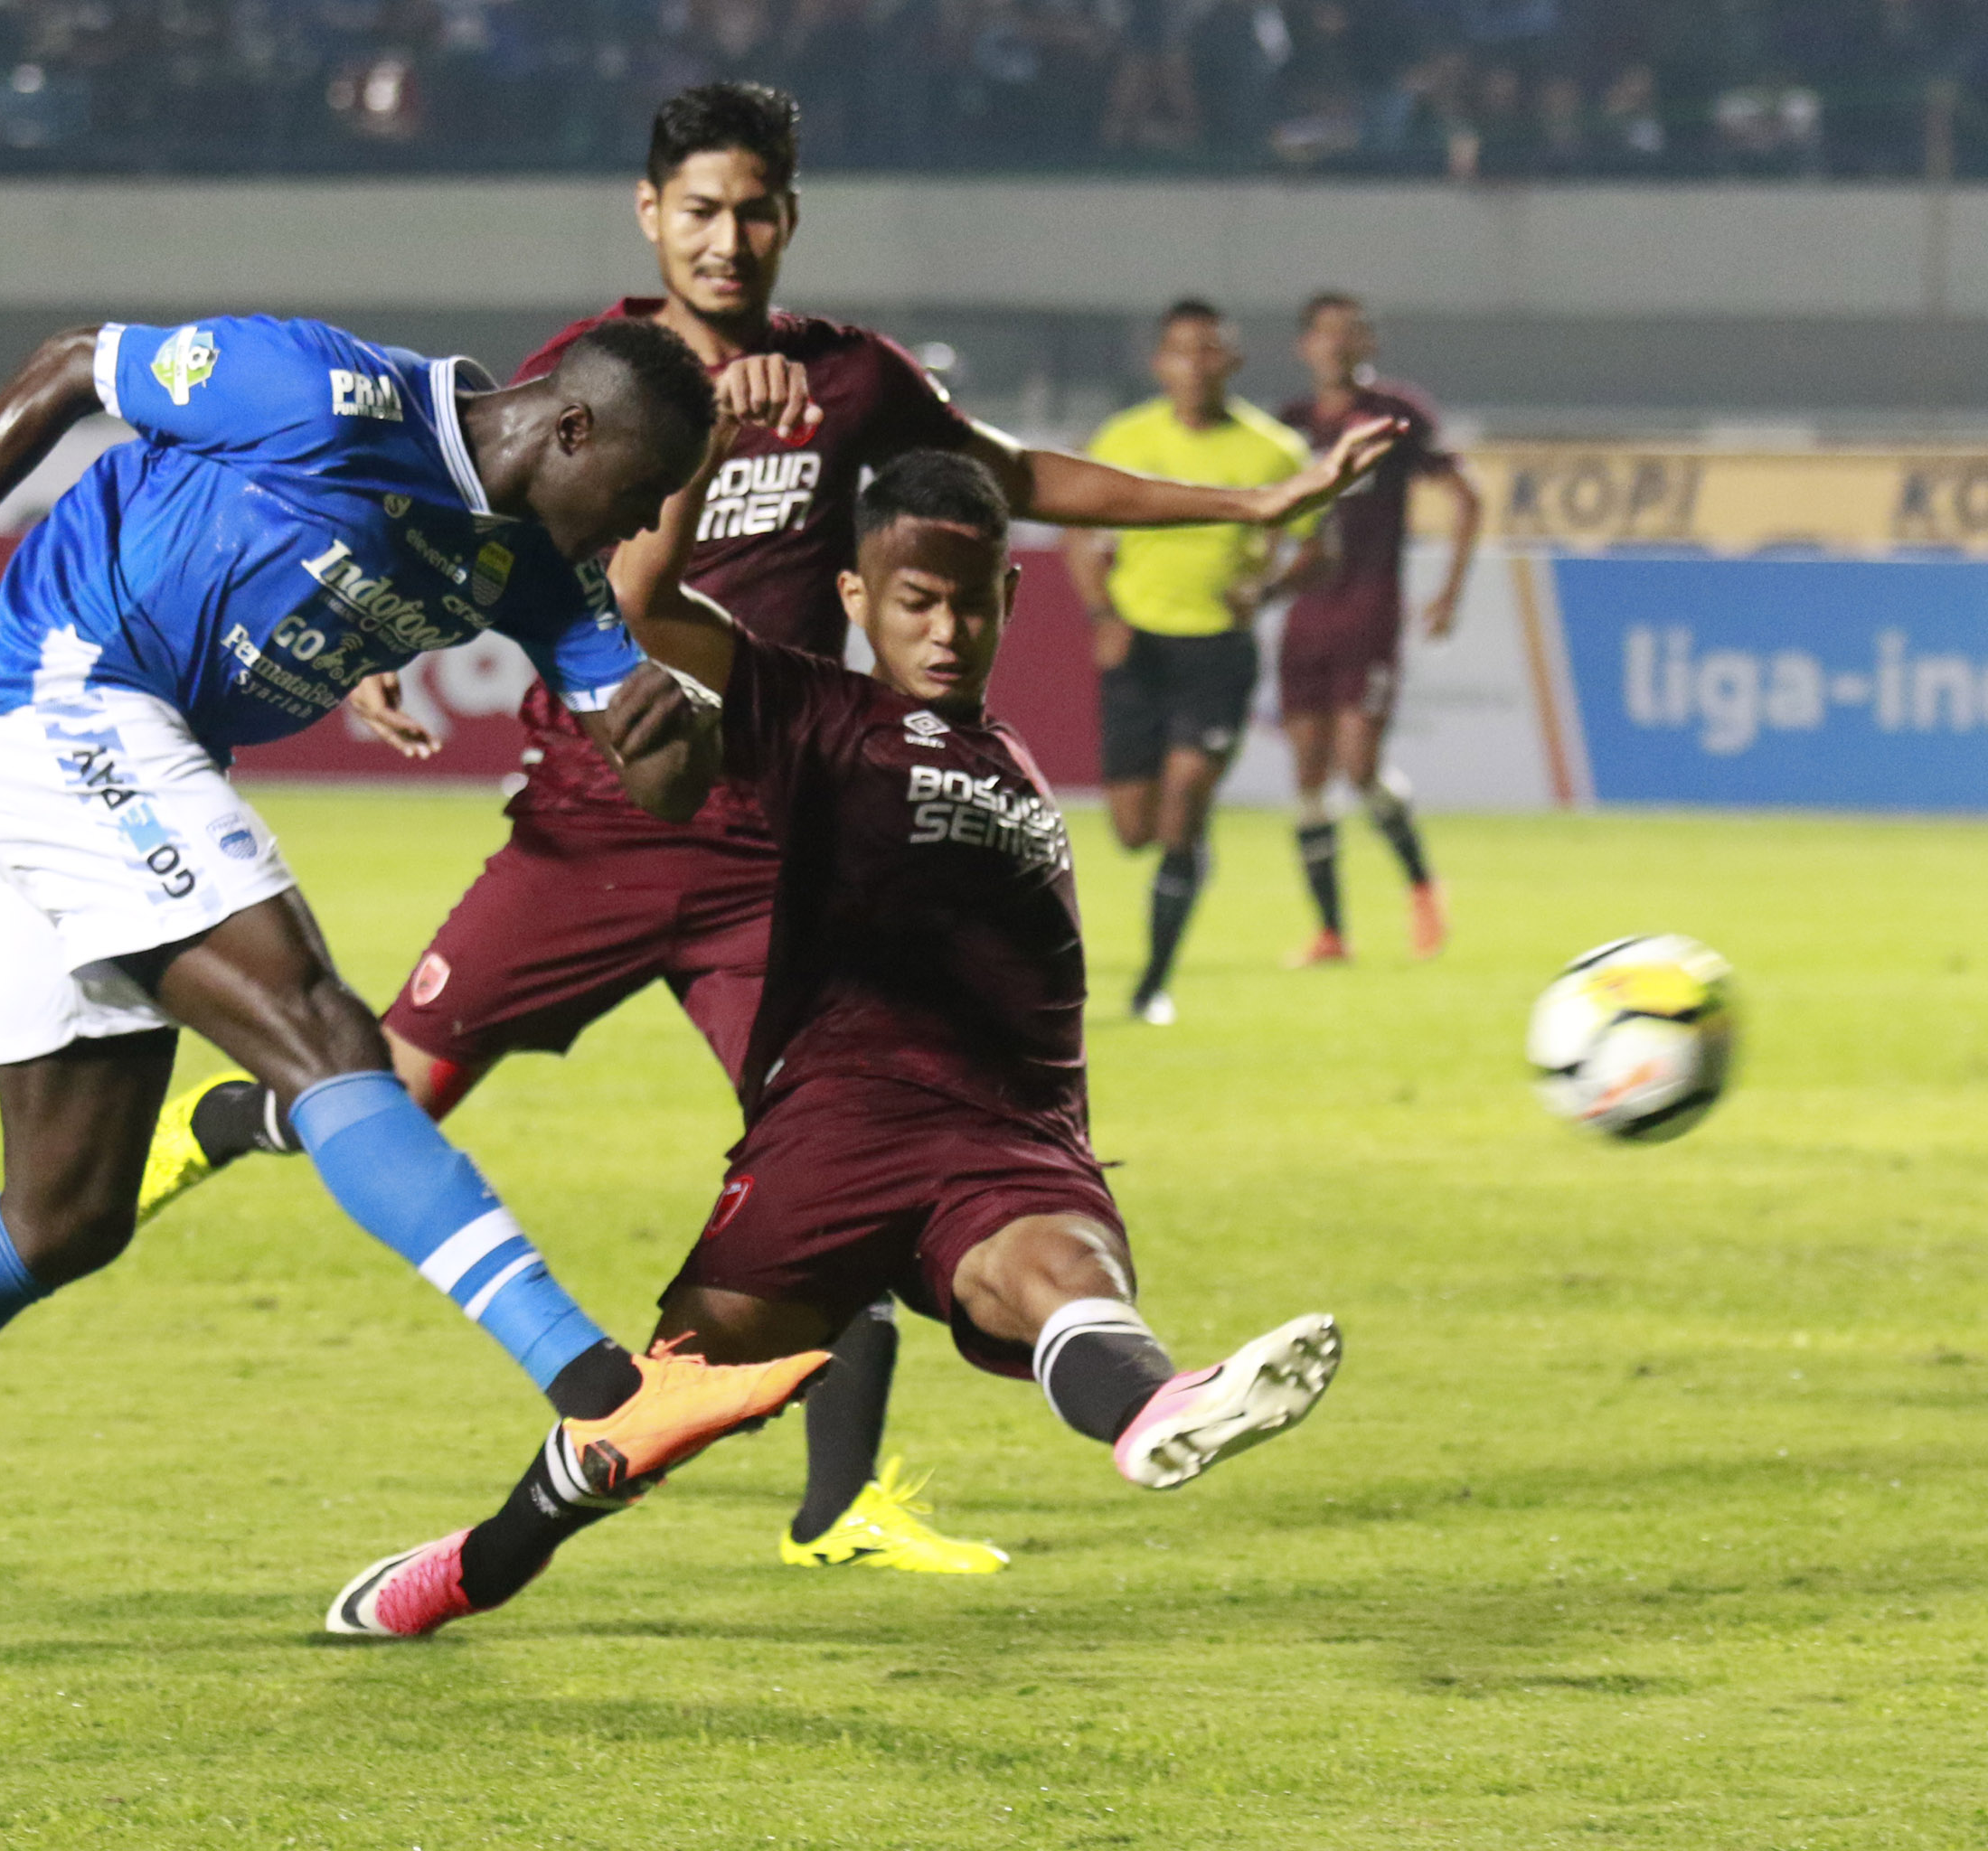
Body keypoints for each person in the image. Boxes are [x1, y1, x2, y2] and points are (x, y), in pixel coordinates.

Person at [133, 83, 1384, 1574]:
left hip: (767, 837)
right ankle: (233, 1117)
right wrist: (377, 640)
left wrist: (1254, 507)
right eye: (701, 210)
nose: (727, 239)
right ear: (649, 214)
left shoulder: (849, 379)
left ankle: (837, 1503)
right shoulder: (591, 375)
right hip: (593, 818)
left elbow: (1020, 477)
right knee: (387, 1097)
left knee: (840, 1139)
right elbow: (479, 527)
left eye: (754, 211)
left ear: (790, 218)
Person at [0, 313, 830, 1672]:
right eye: (644, 490)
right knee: (321, 1031)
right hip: (61, 691)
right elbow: (69, 366)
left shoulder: (544, 568)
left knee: (63, 1216)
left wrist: (683, 733)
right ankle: (598, 1385)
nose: (648, 523)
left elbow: (657, 774)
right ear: (571, 429)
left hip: (95, 748)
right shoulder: (329, 393)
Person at [326, 447, 1375, 1641]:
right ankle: (481, 1564)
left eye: (970, 604)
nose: (946, 631)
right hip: (840, 1132)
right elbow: (644, 600)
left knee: (1065, 1274)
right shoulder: (817, 712)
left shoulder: (1015, 762)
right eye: (916, 603)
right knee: (658, 1408)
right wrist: (700, 442)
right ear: (856, 599)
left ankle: (1158, 1407)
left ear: (1008, 599)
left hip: (1011, 1134)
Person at [1064, 300, 1319, 1026]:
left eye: (1211, 350)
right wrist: (1103, 614)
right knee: (1132, 829)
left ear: (1234, 360)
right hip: (1138, 647)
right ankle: (1182, 859)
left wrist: (1267, 590)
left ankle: (1153, 985)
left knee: (1184, 804)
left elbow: (1318, 546)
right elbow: (1078, 530)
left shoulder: (1274, 451)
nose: (1197, 364)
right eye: (1182, 350)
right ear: (1159, 363)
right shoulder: (1126, 438)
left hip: (1217, 650)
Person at [1273, 291, 1483, 964]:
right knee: (1309, 772)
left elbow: (1467, 497)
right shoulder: (1287, 426)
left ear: (1369, 344)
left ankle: (1422, 884)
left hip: (1370, 608)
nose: (1337, 344)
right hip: (1306, 613)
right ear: (1304, 345)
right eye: (1325, 332)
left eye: (1350, 332)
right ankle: (1331, 933)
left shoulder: (1396, 414)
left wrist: (1449, 593)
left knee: (1359, 766)